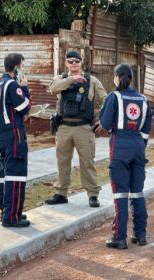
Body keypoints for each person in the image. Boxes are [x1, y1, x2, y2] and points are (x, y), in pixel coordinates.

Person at [100, 64, 152, 249]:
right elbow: (146, 127)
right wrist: (140, 145)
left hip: (120, 145)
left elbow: (105, 123)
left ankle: (119, 237)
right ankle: (140, 234)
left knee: (120, 193)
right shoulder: (143, 98)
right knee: (137, 192)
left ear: (117, 77)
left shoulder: (114, 97)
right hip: (138, 146)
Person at [45, 50, 107, 207]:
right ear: (66, 63)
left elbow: (106, 99)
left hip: (84, 128)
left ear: (81, 62)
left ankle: (93, 194)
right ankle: (61, 193)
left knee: (87, 161)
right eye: (70, 61)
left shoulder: (91, 80)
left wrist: (102, 119)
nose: (74, 64)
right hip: (64, 126)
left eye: (76, 61)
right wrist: (72, 79)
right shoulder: (61, 79)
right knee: (62, 161)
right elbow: (52, 89)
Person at [0, 53, 31, 227]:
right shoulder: (13, 85)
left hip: (2, 134)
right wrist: (25, 87)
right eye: (23, 66)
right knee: (16, 175)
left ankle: (7, 212)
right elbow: (25, 107)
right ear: (16, 68)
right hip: (15, 134)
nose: (24, 69)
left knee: (4, 174)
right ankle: (11, 217)